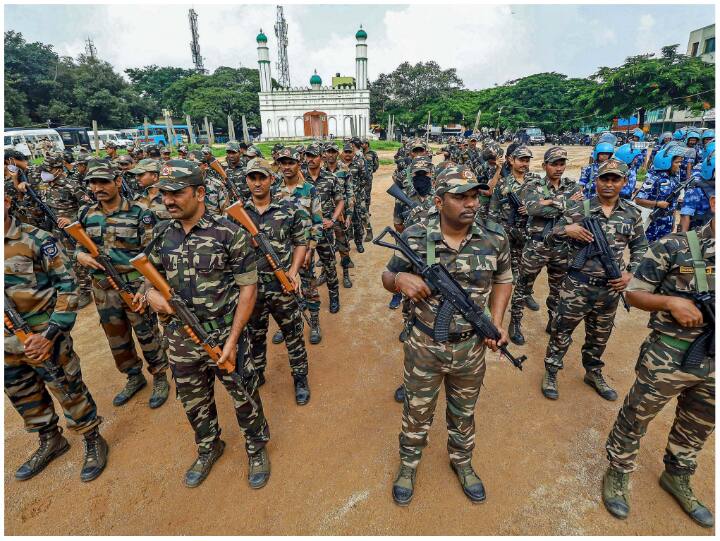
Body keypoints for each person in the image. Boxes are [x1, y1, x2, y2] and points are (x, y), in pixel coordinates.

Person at [382, 165, 513, 506]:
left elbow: (503, 278)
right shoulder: (415, 235)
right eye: (460, 197)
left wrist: (496, 322)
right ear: (440, 202)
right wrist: (399, 281)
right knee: (417, 411)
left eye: (474, 196)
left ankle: (463, 462)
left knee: (463, 412)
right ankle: (408, 465)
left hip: (470, 347)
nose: (470, 204)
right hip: (424, 345)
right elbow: (387, 275)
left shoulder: (495, 235)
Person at [602, 153, 715, 528]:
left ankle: (678, 475)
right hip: (669, 354)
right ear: (714, 202)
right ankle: (618, 471)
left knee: (700, 422)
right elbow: (634, 294)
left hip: (713, 362)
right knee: (638, 414)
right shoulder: (677, 246)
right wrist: (669, 301)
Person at [143, 159, 271, 489]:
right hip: (180, 338)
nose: (168, 200)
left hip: (224, 333)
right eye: (164, 194)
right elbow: (146, 279)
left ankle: (256, 448)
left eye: (176, 193)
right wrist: (151, 295)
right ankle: (208, 446)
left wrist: (233, 340)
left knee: (244, 394)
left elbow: (248, 287)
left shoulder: (229, 233)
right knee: (193, 400)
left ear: (200, 193)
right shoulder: (161, 235)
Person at [4, 189, 108, 482]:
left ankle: (91, 437)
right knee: (23, 395)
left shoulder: (36, 239)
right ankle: (50, 439)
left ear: (7, 201)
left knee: (68, 387)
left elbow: (68, 287)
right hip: (7, 346)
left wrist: (50, 333)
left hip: (44, 336)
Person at [541, 159, 648, 401]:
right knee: (561, 332)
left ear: (623, 182)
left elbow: (641, 245)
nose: (609, 184)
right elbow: (548, 238)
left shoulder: (632, 213)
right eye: (604, 179)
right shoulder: (580, 209)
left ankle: (593, 372)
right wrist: (565, 230)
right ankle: (551, 371)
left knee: (599, 335)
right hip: (577, 286)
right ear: (596, 181)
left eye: (615, 179)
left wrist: (631, 272)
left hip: (610, 289)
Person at [75, 162, 170, 408]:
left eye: (104, 182)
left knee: (147, 333)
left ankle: (159, 375)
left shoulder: (139, 212)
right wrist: (80, 255)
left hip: (133, 286)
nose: (98, 188)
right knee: (117, 338)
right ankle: (133, 376)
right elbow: (76, 245)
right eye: (93, 183)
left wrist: (146, 288)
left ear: (117, 181)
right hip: (103, 289)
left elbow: (152, 253)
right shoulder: (86, 214)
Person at [240, 158, 311, 405]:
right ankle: (258, 372)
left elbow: (301, 242)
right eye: (253, 178)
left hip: (282, 287)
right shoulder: (237, 214)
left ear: (272, 179)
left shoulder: (289, 208)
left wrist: (293, 271)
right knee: (254, 336)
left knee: (293, 335)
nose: (257, 183)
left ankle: (300, 378)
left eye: (262, 177)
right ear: (247, 180)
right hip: (251, 291)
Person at [508, 147, 582, 345]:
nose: (559, 168)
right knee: (523, 286)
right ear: (544, 166)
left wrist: (550, 202)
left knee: (558, 289)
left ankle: (553, 320)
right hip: (536, 246)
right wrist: (564, 203)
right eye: (554, 164)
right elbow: (531, 208)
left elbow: (579, 212)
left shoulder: (573, 186)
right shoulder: (533, 185)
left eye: (562, 164)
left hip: (561, 248)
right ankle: (515, 322)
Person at [273, 147, 324, 345]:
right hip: (282, 251)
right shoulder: (275, 190)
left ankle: (314, 323)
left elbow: (317, 222)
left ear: (298, 164)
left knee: (309, 286)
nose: (286, 167)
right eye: (283, 163)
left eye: (290, 162)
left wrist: (311, 249)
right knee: (284, 289)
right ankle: (285, 325)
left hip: (304, 249)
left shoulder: (309, 190)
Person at [34, 153, 95, 308]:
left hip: (72, 231)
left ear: (58, 169)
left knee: (77, 261)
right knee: (63, 261)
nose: (44, 173)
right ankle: (71, 289)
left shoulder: (71, 185)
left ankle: (86, 291)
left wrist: (73, 219)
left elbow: (90, 207)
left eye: (48, 169)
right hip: (55, 230)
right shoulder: (45, 185)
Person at [488, 145, 541, 312]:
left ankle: (525, 294)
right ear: (511, 160)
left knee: (529, 267)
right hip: (507, 230)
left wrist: (532, 208)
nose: (525, 164)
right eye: (521, 160)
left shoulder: (538, 181)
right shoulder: (503, 183)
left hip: (529, 230)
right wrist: (493, 235)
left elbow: (549, 199)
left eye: (527, 160)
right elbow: (493, 210)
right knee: (501, 269)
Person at [303, 142, 344, 312]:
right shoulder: (299, 178)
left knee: (329, 265)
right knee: (305, 268)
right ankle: (308, 298)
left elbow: (340, 200)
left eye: (314, 156)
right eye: (308, 156)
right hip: (304, 233)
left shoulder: (330, 178)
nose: (310, 159)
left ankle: (334, 297)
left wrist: (333, 220)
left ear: (322, 157)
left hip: (325, 231)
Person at [635, 144, 685, 242]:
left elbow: (673, 203)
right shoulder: (653, 179)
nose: (679, 165)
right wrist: (657, 204)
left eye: (680, 162)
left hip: (667, 221)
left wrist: (673, 220)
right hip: (652, 223)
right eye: (677, 162)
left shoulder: (674, 179)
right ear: (665, 163)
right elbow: (638, 200)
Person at [323, 142, 355, 288]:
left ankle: (346, 273)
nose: (331, 154)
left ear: (338, 153)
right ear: (324, 154)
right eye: (328, 152)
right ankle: (325, 272)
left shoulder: (344, 169)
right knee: (325, 246)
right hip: (324, 215)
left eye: (333, 151)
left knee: (343, 245)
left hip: (340, 214)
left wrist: (349, 215)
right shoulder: (320, 170)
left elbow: (349, 193)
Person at [129, 158, 172, 222]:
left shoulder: (169, 199)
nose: (137, 178)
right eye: (136, 175)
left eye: (141, 174)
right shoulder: (137, 198)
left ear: (154, 176)